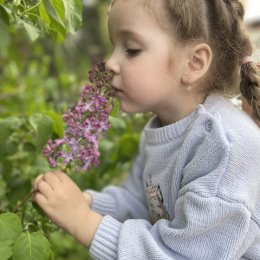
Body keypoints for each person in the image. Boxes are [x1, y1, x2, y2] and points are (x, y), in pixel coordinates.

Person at [33, 0, 260, 259]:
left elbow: (181, 255)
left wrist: (82, 221)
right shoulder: (163, 128)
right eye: (113, 46)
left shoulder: (226, 149)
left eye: (131, 49)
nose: (109, 63)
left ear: (194, 63)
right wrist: (85, 203)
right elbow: (144, 203)